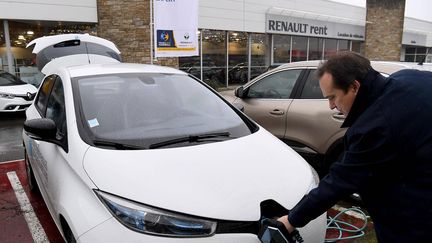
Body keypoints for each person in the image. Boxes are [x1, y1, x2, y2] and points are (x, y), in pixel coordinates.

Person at [278, 52, 432, 242]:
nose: (331, 106)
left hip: (414, 221)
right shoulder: (409, 78)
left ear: (354, 86)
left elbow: (339, 181)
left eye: (333, 97)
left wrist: (290, 220)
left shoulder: (375, 127)